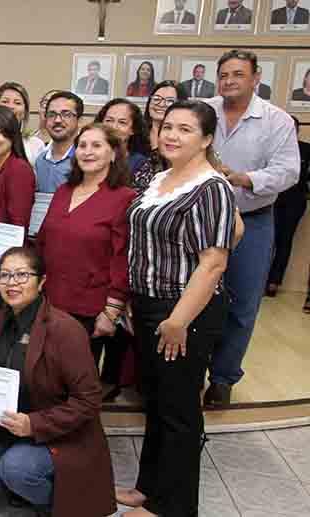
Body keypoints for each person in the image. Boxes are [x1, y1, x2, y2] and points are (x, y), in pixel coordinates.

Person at [116, 101, 237, 517]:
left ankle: (175, 506)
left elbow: (214, 262)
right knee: (158, 402)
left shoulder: (211, 186)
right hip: (150, 306)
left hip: (185, 311)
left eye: (185, 129)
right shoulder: (161, 178)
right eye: (168, 126)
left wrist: (177, 320)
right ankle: (150, 488)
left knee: (180, 410)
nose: (172, 135)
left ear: (206, 139)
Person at [0, 246, 115, 517]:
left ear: (42, 282)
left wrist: (34, 425)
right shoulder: (1, 318)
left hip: (59, 429)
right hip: (11, 421)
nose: (12, 283)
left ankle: (58, 503)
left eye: (22, 275)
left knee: (16, 468)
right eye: (5, 275)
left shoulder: (65, 330)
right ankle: (21, 487)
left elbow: (88, 400)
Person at [204, 50, 300, 407]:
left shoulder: (276, 121)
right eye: (224, 74)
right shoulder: (203, 110)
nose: (229, 80)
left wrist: (247, 179)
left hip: (254, 220)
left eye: (238, 74)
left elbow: (289, 171)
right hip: (203, 221)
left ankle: (223, 378)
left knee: (242, 304)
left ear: (256, 78)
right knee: (196, 299)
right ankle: (191, 371)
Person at [36, 124, 136, 394]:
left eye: (97, 145)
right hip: (50, 303)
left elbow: (123, 258)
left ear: (113, 153)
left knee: (78, 386)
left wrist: (111, 311)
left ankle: (78, 436)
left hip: (89, 310)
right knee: (47, 380)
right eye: (82, 145)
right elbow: (43, 241)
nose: (87, 152)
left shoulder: (125, 198)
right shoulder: (63, 192)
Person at [266, 117, 310, 298]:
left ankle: (274, 282)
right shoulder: (271, 147)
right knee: (268, 241)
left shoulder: (306, 149)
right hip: (271, 199)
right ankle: (260, 279)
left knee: (285, 240)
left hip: (295, 201)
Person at [35, 91, 83, 193]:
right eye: (52, 114)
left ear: (80, 120)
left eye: (66, 114)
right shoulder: (40, 161)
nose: (57, 120)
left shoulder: (86, 159)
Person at [137, 81, 179, 192]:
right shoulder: (136, 132)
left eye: (169, 101)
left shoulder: (181, 139)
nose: (160, 104)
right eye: (156, 98)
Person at [96, 98, 151, 176]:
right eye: (109, 120)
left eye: (122, 122)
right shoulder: (88, 155)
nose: (114, 127)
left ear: (133, 129)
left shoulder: (140, 163)